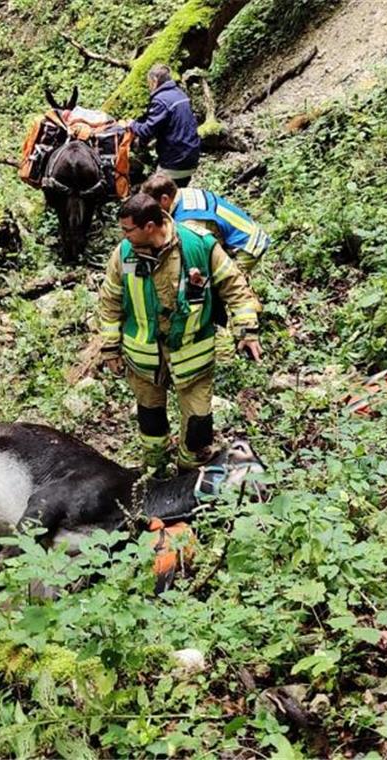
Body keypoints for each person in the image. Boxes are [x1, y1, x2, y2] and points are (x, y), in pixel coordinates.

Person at [97, 193, 262, 473]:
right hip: (144, 358)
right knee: (150, 420)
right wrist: (110, 347)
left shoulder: (199, 245)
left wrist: (247, 329)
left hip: (192, 355)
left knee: (199, 422)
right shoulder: (123, 253)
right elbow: (110, 300)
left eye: (128, 229)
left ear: (150, 226)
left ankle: (190, 471)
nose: (123, 236)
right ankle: (156, 469)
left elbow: (235, 287)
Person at [141, 173, 271, 274]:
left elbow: (206, 250)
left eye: (155, 206)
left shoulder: (189, 220)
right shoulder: (185, 193)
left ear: (165, 199)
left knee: (230, 282)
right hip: (248, 232)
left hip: (246, 246)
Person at [127, 64, 201, 188]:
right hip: (191, 156)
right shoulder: (180, 94)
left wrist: (132, 124)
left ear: (155, 81)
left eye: (149, 83)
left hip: (175, 162)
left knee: (153, 194)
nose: (149, 87)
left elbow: (146, 131)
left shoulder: (160, 100)